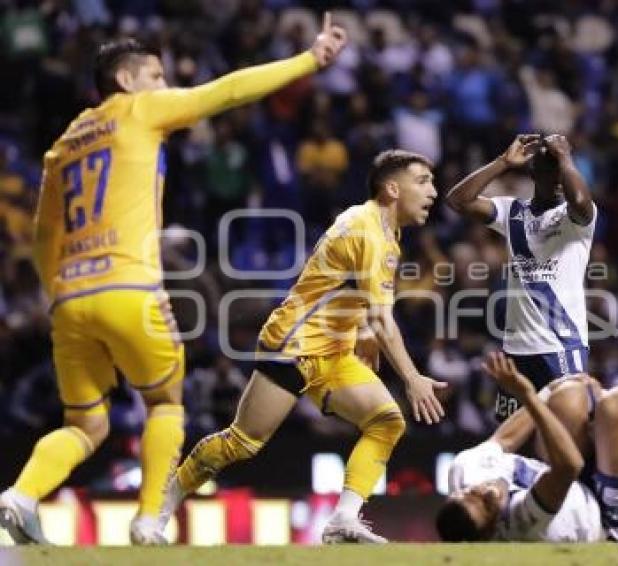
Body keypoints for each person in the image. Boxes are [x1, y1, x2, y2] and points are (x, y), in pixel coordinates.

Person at [0, 13, 347, 546]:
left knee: (85, 424)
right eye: (157, 76)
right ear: (127, 80)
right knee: (164, 403)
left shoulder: (62, 146)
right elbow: (228, 91)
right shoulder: (140, 110)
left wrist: (57, 295)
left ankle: (18, 496)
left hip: (70, 300)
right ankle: (146, 521)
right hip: (129, 288)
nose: (165, 86)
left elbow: (45, 237)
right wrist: (309, 59)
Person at [162, 149, 446, 544]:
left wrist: (363, 333)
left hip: (334, 351)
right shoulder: (365, 230)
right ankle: (164, 501)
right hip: (293, 344)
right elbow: (383, 316)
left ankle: (343, 520)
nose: (433, 191)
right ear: (392, 188)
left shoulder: (387, 234)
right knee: (243, 441)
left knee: (386, 421)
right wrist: (412, 377)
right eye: (423, 181)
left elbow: (353, 293)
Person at [436, 352, 618, 542]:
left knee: (566, 396)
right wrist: (527, 395)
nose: (486, 492)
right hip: (607, 523)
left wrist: (548, 391)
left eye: (471, 493)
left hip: (573, 482)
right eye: (488, 505)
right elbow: (569, 465)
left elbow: (505, 439)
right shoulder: (522, 524)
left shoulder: (464, 470)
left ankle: (602, 430)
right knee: (617, 406)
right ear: (490, 531)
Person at [446, 134, 596, 421]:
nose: (560, 180)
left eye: (563, 171)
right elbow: (458, 200)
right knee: (512, 434)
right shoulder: (512, 211)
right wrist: (502, 163)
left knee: (571, 428)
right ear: (534, 173)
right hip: (516, 350)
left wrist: (565, 157)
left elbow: (579, 198)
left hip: (560, 345)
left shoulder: (575, 218)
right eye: (552, 171)